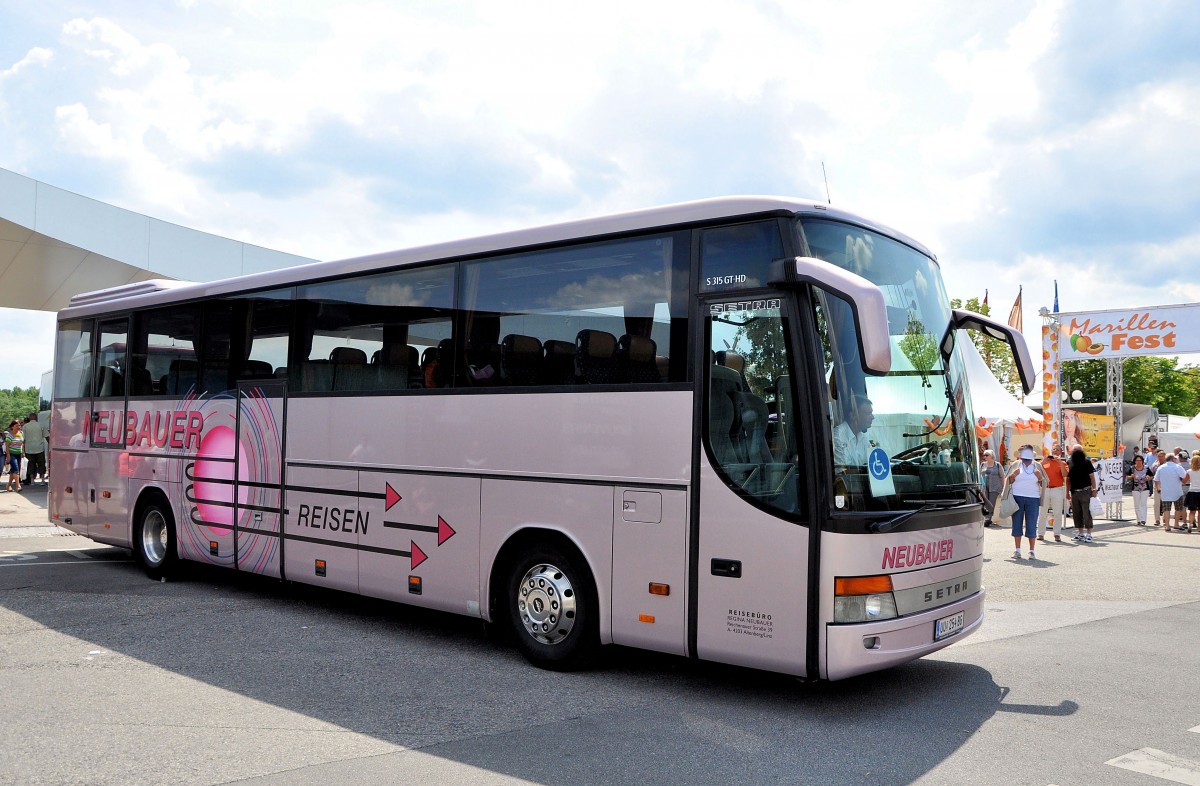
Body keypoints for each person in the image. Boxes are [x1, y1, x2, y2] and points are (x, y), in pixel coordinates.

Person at [1005, 444, 1046, 560]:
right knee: (1017, 523)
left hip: (1033, 498)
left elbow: (1045, 484)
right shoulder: (1015, 465)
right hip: (1017, 497)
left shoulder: (1037, 465)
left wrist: (1040, 478)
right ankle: (1017, 550)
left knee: (1031, 524)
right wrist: (1013, 476)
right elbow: (1008, 481)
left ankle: (1031, 551)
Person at [833, 393, 875, 466]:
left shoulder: (863, 438)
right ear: (853, 415)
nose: (872, 417)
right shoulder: (838, 436)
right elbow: (843, 471)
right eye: (868, 413)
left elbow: (871, 465)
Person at [1067, 444, 1098, 542]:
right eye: (1075, 450)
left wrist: (1094, 489)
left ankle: (1089, 534)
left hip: (1086, 490)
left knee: (1086, 513)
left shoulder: (1087, 462)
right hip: (1074, 492)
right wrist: (1067, 491)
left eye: (1078, 450)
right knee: (1076, 513)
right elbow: (1068, 479)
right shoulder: (1069, 462)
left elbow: (1092, 477)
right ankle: (1080, 533)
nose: (1076, 452)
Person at [1038, 444, 1069, 541]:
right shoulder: (1045, 461)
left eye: (1057, 450)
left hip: (1057, 488)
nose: (1055, 451)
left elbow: (1065, 475)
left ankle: (1057, 534)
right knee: (1042, 512)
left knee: (1057, 512)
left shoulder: (1063, 463)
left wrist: (1060, 462)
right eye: (1054, 449)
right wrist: (1042, 462)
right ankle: (1040, 534)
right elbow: (1036, 471)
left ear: (1060, 452)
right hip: (1045, 488)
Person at [1154, 452, 1187, 531]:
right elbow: (1185, 476)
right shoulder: (1178, 467)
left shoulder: (1161, 467)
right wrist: (1183, 482)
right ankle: (1176, 524)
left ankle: (1167, 525)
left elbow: (1156, 480)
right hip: (1177, 491)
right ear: (1173, 459)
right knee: (1178, 508)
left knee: (1166, 509)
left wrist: (1158, 488)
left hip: (1165, 491)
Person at [979, 449, 1003, 527]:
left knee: (991, 503)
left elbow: (1002, 476)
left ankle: (988, 519)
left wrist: (1003, 487)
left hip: (995, 487)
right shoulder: (983, 464)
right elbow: (979, 476)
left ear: (991, 456)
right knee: (985, 502)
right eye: (984, 455)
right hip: (984, 487)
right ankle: (986, 518)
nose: (984, 456)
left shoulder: (997, 465)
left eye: (986, 455)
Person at [1126, 454, 1152, 526]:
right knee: (1137, 504)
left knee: (1143, 503)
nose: (1138, 462)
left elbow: (1151, 476)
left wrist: (1148, 477)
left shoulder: (1146, 468)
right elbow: (1127, 476)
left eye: (1140, 460)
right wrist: (1131, 476)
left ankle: (1143, 519)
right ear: (1135, 461)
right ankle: (1139, 519)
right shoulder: (1132, 468)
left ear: (1142, 461)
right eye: (1137, 460)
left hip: (1145, 488)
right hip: (1135, 488)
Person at [22, 412, 46, 485]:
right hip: (40, 448)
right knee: (41, 463)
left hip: (29, 449)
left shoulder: (25, 426)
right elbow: (47, 436)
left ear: (29, 418)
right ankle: (42, 480)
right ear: (36, 418)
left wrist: (23, 450)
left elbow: (23, 439)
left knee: (30, 464)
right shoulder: (41, 425)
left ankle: (32, 480)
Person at [4, 419, 24, 492]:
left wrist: (23, 452)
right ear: (12, 427)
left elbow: (22, 443)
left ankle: (9, 485)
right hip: (12, 454)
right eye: (17, 425)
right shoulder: (10, 435)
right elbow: (7, 446)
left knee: (13, 470)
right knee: (16, 469)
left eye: (19, 425)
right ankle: (18, 486)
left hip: (19, 453)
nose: (18, 427)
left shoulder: (21, 433)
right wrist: (8, 455)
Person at [1183, 454, 1200, 534]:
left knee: (1192, 511)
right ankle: (1199, 528)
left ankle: (1190, 524)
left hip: (1192, 491)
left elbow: (1184, 481)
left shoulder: (1189, 471)